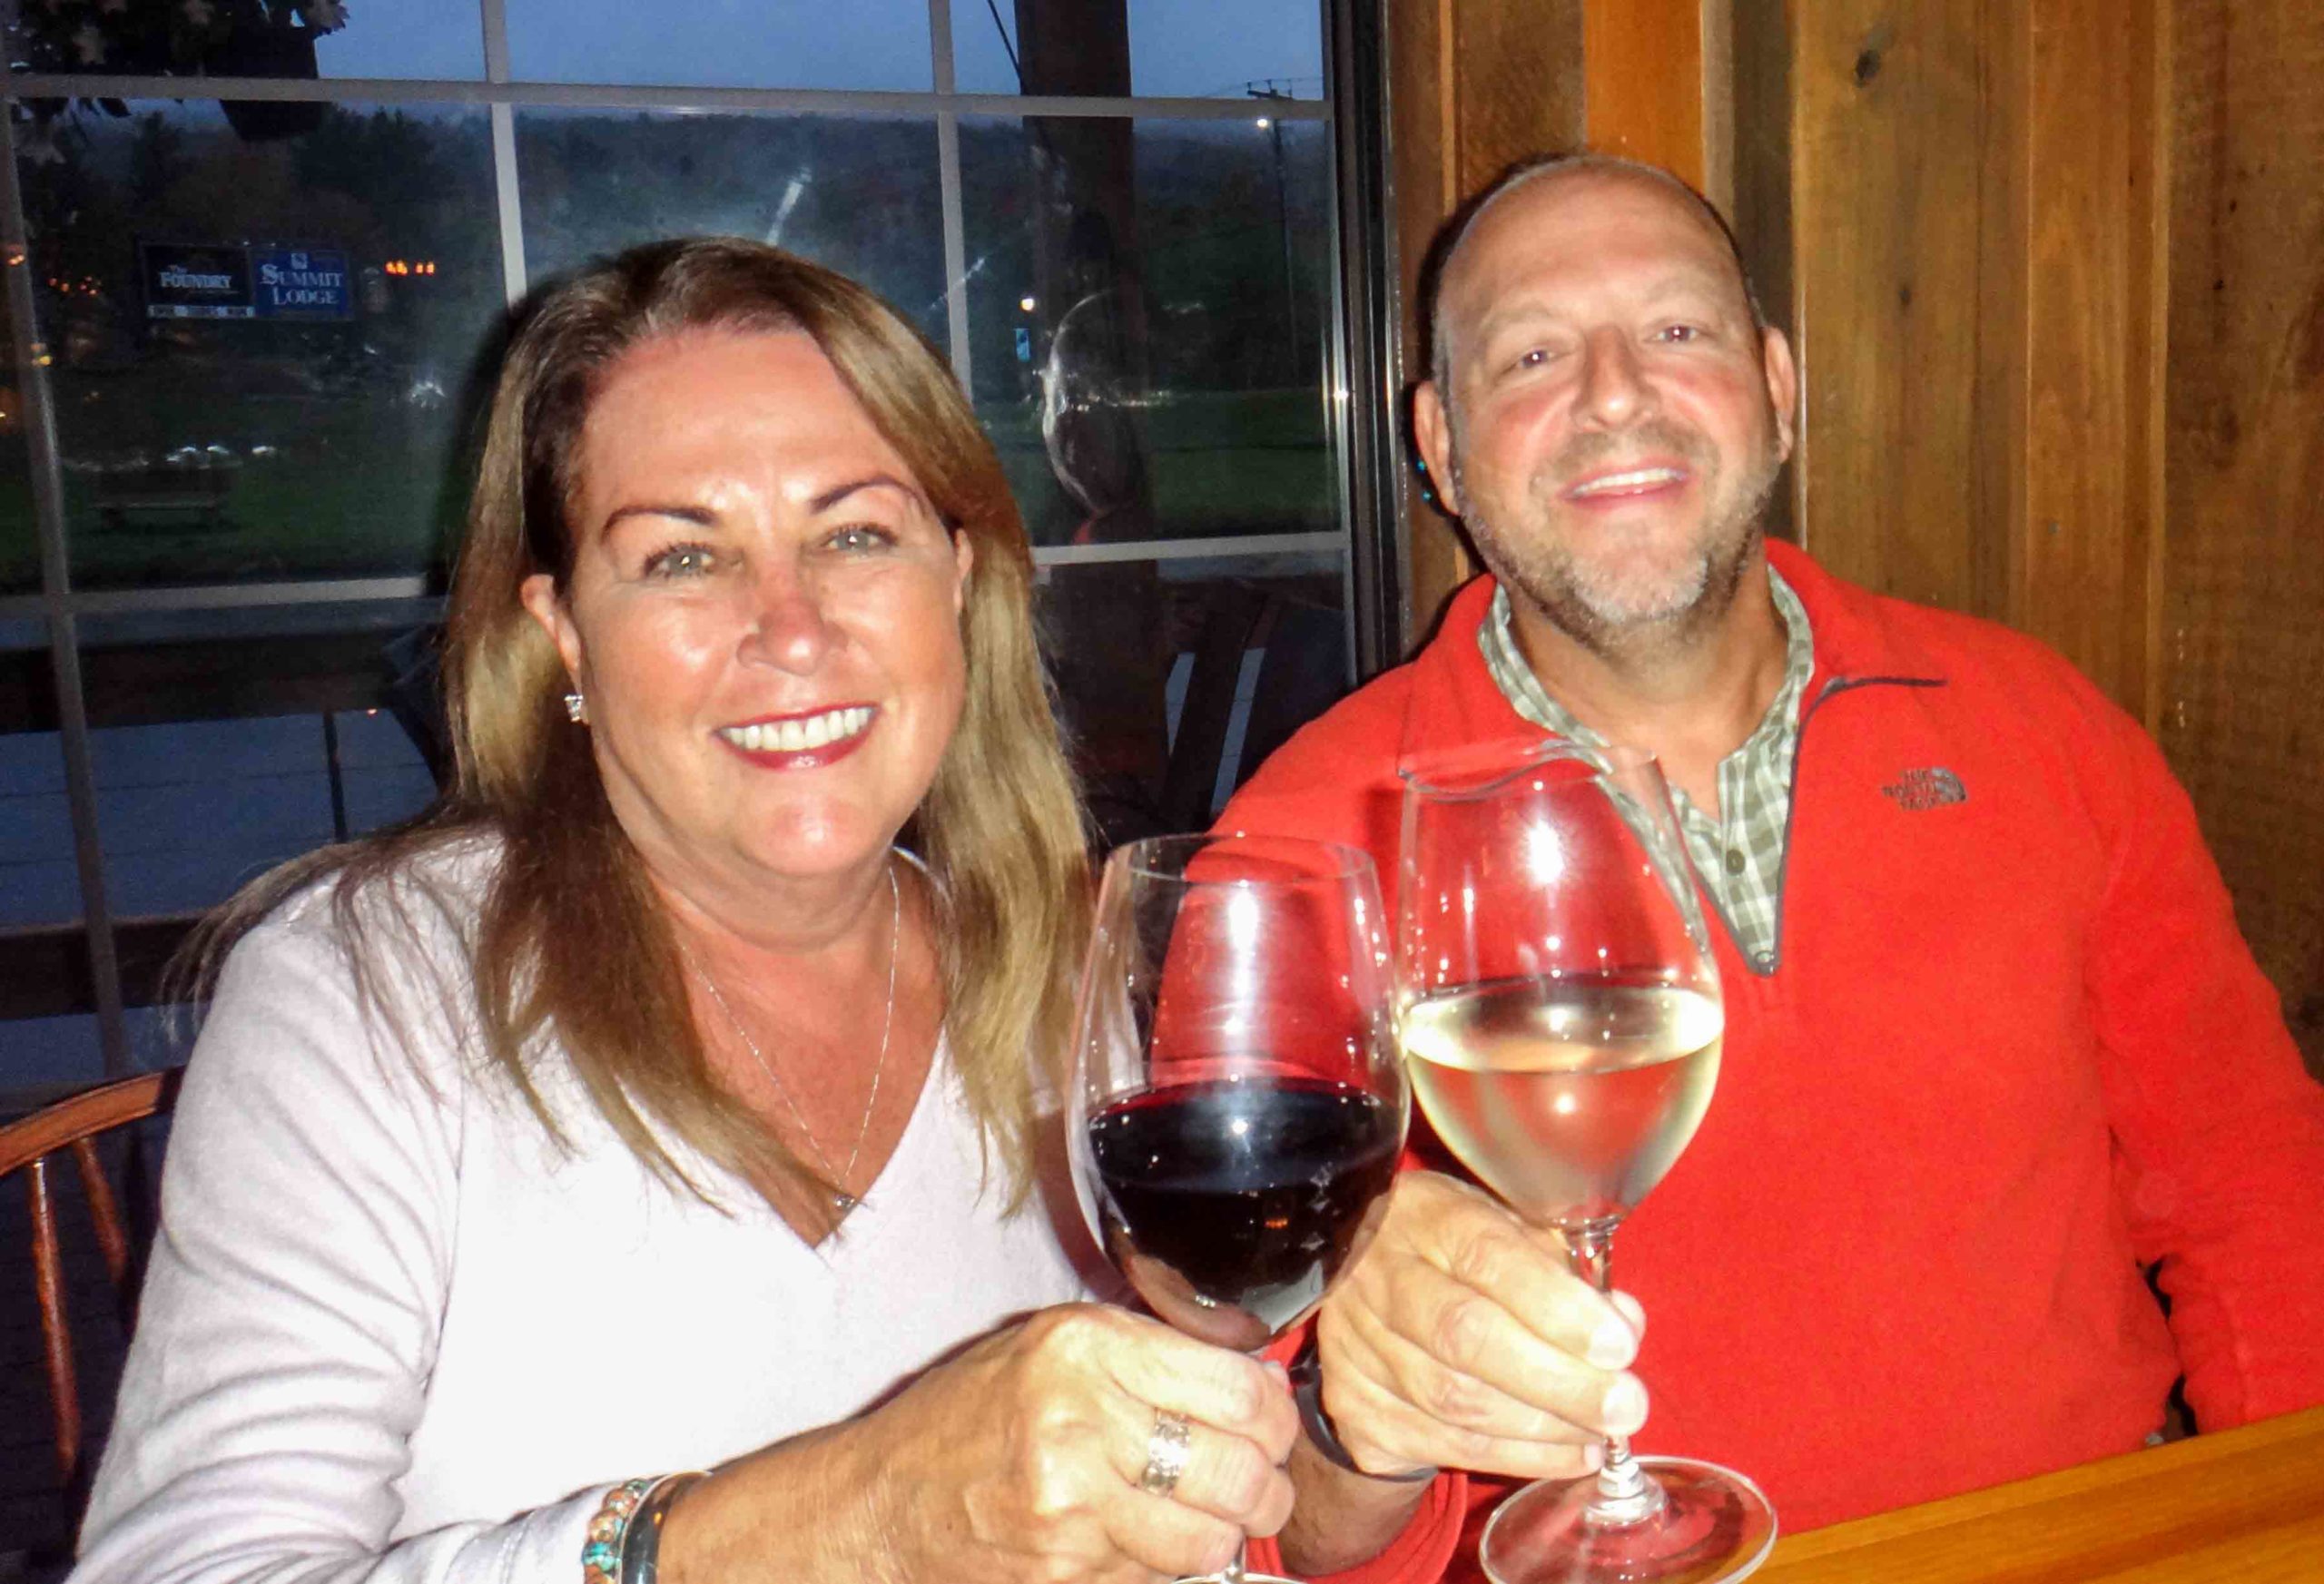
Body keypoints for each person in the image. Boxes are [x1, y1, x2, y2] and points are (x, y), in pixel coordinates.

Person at [71, 240, 1462, 1584]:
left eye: (855, 533)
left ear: (957, 587)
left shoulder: (1058, 987)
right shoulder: (363, 995)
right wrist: (847, 1525)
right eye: (683, 557)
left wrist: (1375, 1413)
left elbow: (1192, 1500)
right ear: (564, 634)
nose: (790, 628)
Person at [1216, 152, 2324, 1549]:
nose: (1614, 393)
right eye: (1535, 354)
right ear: (1438, 442)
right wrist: (1346, 1415)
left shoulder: (2049, 731)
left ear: (1779, 389)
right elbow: (1285, 1523)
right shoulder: (1298, 851)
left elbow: (2253, 1194)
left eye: (1678, 329)